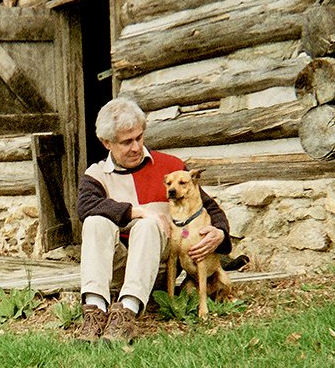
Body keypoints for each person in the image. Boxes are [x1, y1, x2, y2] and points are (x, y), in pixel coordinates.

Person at [74, 97, 231, 344]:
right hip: (117, 268)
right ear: (107, 143)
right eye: (126, 142)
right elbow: (84, 207)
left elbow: (209, 206)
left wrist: (220, 233)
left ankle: (127, 312)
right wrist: (137, 212)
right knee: (96, 221)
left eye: (139, 137)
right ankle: (94, 311)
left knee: (149, 225)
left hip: (155, 269)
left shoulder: (172, 168)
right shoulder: (96, 174)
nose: (136, 147)